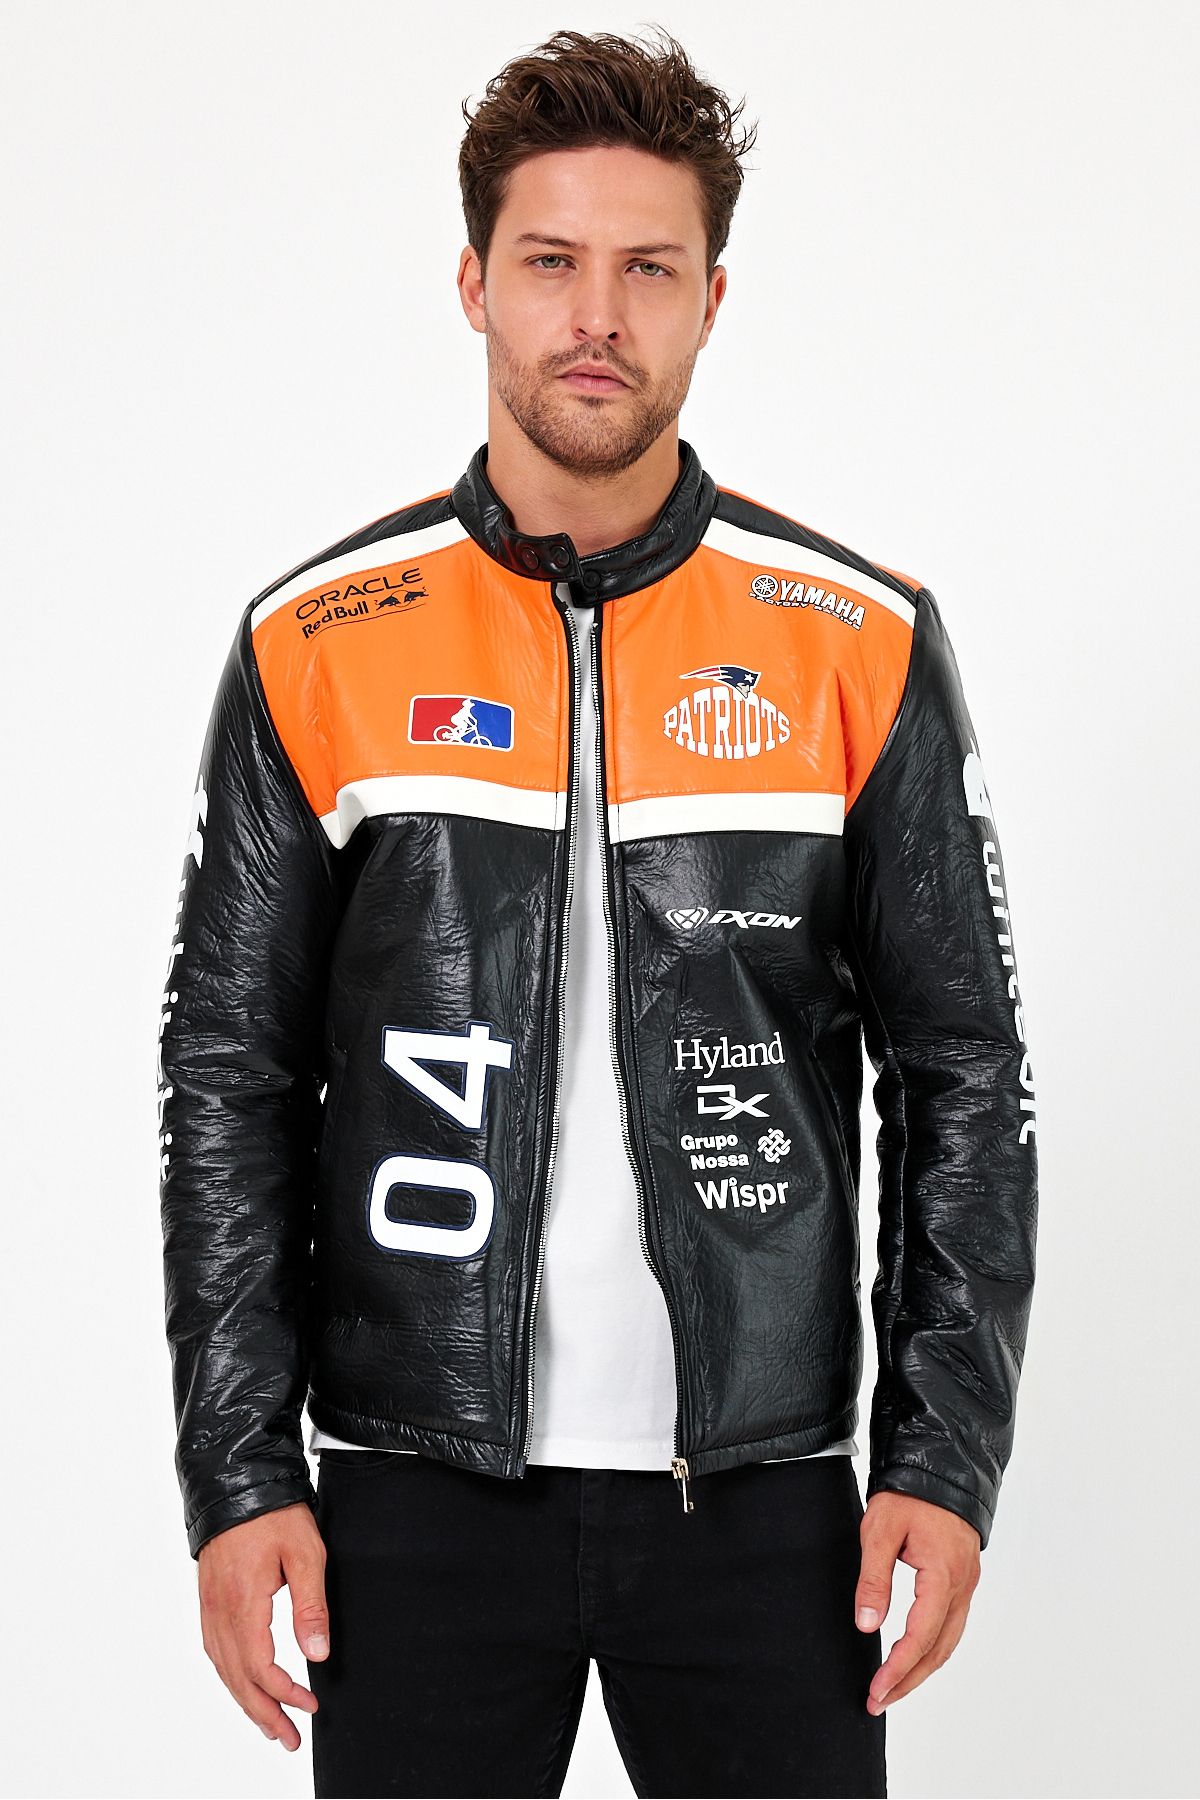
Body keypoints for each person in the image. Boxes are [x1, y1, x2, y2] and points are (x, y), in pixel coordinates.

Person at [156, 27, 1039, 1799]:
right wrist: (239, 1474)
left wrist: (941, 1456)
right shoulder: (313, 641)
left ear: (712, 299)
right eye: (552, 261)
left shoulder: (857, 638)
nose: (596, 317)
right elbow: (228, 1079)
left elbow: (964, 1068)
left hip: (768, 1503)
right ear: (473, 283)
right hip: (409, 1494)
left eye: (648, 269)